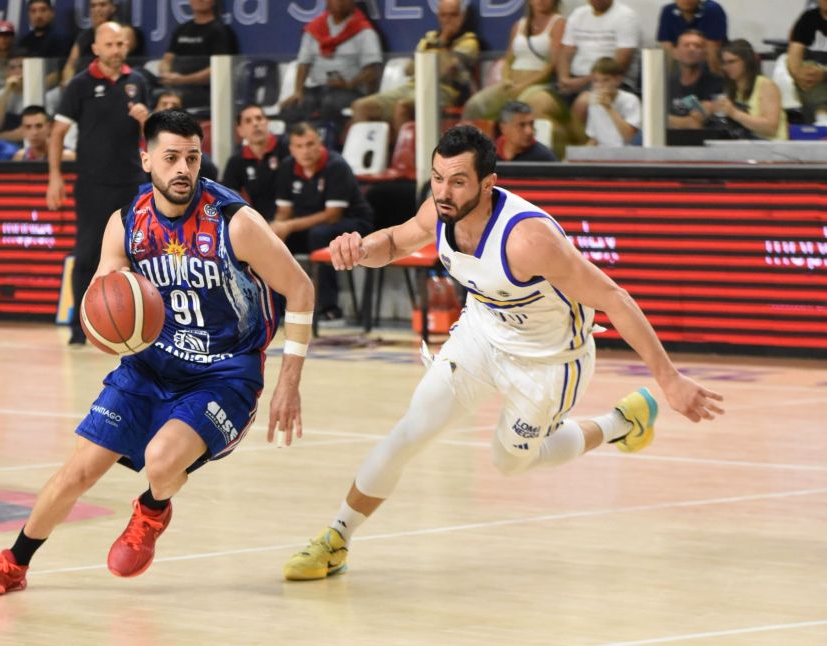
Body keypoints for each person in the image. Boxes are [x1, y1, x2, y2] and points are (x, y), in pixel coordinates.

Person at [282, 125, 725, 581]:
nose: (444, 192)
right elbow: (394, 243)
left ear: (487, 184)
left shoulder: (529, 240)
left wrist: (669, 379)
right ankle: (336, 538)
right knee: (410, 432)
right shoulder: (439, 210)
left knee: (509, 461)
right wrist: (359, 249)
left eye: (458, 181)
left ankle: (620, 423)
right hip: (482, 335)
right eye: (437, 178)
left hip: (549, 360)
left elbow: (614, 298)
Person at [0, 109, 315, 598]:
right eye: (171, 158)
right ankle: (14, 562)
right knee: (78, 471)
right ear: (146, 159)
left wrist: (289, 383)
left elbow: (301, 289)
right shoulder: (127, 223)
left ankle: (151, 509)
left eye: (192, 158)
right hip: (151, 364)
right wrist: (111, 322)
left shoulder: (235, 222)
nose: (183, 169)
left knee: (161, 459)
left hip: (224, 372)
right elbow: (103, 295)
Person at [48, 22, 150, 345]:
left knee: (139, 253)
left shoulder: (138, 81)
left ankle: (143, 323)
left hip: (132, 182)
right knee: (87, 253)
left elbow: (153, 137)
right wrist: (54, 177)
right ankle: (79, 328)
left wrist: (146, 120)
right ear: (95, 48)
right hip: (93, 184)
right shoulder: (80, 84)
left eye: (120, 44)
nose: (116, 50)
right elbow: (57, 134)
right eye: (109, 44)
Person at [273, 122, 373, 322]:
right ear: (292, 149)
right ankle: (280, 304)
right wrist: (274, 230)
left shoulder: (336, 166)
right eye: (299, 146)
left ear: (320, 144)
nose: (305, 151)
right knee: (276, 241)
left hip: (352, 223)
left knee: (320, 235)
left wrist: (288, 225)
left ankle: (329, 307)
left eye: (310, 144)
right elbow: (284, 212)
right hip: (310, 225)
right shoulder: (287, 167)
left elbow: (332, 215)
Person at [350, 0, 479, 134]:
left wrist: (443, 41)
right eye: (443, 15)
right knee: (361, 106)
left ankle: (406, 148)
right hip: (413, 86)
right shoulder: (428, 38)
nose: (447, 20)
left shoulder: (469, 42)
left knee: (402, 106)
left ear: (462, 16)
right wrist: (436, 57)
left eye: (453, 15)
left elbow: (446, 69)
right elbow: (408, 69)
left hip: (445, 91)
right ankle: (366, 147)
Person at [279, 0, 383, 131]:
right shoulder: (314, 28)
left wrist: (350, 84)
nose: (339, 3)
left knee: (329, 103)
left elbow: (373, 70)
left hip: (350, 91)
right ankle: (297, 141)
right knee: (292, 107)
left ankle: (328, 140)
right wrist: (298, 91)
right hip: (317, 88)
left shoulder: (364, 31)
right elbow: (303, 63)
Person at [463, 0, 565, 122]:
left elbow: (551, 65)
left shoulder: (559, 23)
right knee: (474, 105)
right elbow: (508, 59)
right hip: (512, 82)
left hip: (538, 84)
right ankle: (469, 134)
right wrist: (506, 79)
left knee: (523, 110)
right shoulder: (519, 25)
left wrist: (524, 85)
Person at [558, 0, 641, 124]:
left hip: (609, 82)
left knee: (583, 103)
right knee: (542, 100)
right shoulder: (578, 14)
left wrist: (582, 82)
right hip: (575, 79)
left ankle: (577, 137)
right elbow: (566, 52)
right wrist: (564, 78)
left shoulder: (625, 16)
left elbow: (620, 65)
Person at [158, 0, 238, 111]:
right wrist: (166, 74)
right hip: (176, 87)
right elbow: (166, 60)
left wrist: (183, 80)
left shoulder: (220, 31)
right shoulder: (181, 29)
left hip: (205, 91)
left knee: (171, 101)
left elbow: (219, 68)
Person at [221, 103, 290, 221]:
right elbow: (228, 200)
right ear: (240, 131)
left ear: (267, 122)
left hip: (291, 219)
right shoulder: (236, 161)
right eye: (248, 121)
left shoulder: (288, 148)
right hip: (259, 221)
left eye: (259, 118)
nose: (255, 124)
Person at [714, 39, 788, 140]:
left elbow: (771, 128)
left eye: (732, 62)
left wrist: (734, 113)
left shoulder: (765, 85)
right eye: (724, 63)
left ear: (747, 61)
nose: (727, 67)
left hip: (771, 146)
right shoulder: (731, 89)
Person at [61, 0, 143, 86]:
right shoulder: (84, 36)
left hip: (116, 83)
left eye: (102, 5)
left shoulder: (123, 31)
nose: (97, 9)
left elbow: (117, 58)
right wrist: (68, 83)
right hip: (84, 83)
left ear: (113, 7)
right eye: (93, 6)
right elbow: (70, 65)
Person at [667, 29, 724, 129]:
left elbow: (698, 125)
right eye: (686, 45)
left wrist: (669, 120)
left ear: (704, 54)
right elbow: (655, 117)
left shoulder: (716, 83)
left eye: (697, 46)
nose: (692, 49)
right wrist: (687, 122)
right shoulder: (666, 84)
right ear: (675, 52)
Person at [582, 57, 641, 146]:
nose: (600, 85)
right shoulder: (594, 101)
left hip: (626, 151)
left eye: (605, 80)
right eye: (596, 81)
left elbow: (629, 136)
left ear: (617, 80)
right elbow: (595, 138)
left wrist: (609, 107)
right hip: (602, 152)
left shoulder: (630, 100)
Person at [657, 0, 728, 74]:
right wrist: (673, 76)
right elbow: (667, 49)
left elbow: (713, 52)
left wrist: (715, 77)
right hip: (681, 66)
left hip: (707, 66)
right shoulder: (669, 11)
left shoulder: (712, 9)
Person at [787, 0, 827, 124]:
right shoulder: (809, 18)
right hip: (814, 76)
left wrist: (824, 73)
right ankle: (822, 117)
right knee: (808, 69)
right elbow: (794, 53)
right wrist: (798, 75)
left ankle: (822, 117)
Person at [0, 53, 25, 141]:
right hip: (3, 143)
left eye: (21, 67)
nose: (17, 71)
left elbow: (25, 133)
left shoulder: (36, 95)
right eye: (12, 68)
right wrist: (7, 91)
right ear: (7, 71)